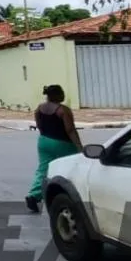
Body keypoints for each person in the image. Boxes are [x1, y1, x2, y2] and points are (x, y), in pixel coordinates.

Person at [25, 84, 83, 213]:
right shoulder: (63, 110)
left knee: (43, 169)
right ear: (56, 95)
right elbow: (70, 130)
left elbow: (39, 126)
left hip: (44, 141)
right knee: (72, 165)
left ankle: (33, 195)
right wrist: (79, 146)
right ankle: (72, 193)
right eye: (61, 93)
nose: (64, 95)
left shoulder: (39, 109)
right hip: (62, 142)